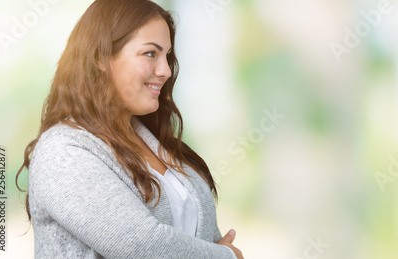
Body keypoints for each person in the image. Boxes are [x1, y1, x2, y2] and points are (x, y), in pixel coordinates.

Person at [15, 0, 243, 258]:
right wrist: (225, 256)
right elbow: (141, 246)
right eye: (150, 53)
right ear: (101, 57)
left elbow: (199, 239)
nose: (166, 70)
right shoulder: (62, 152)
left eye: (167, 56)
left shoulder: (154, 142)